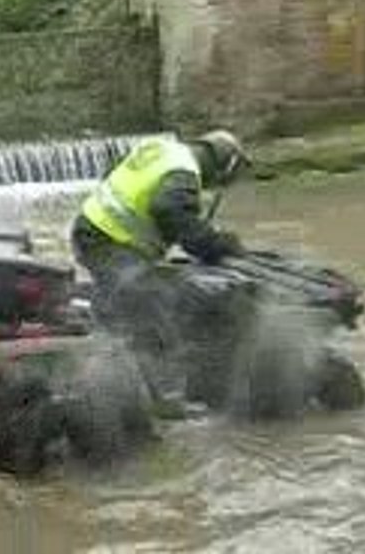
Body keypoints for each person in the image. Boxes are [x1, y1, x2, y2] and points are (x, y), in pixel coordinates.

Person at [71, 130, 251, 414]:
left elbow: (113, 174)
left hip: (93, 229)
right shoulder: (184, 172)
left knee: (124, 306)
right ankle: (167, 401)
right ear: (221, 167)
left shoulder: (160, 148)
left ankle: (113, 360)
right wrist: (216, 244)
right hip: (110, 242)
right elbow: (170, 211)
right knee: (154, 313)